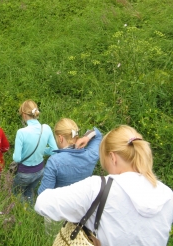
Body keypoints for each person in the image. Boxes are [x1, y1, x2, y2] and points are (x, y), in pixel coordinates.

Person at [35, 125, 173, 245]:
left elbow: (42, 203)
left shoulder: (98, 187)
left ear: (113, 158)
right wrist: (88, 137)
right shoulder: (168, 195)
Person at [38, 118, 102, 194]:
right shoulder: (91, 156)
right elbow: (98, 135)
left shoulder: (54, 162)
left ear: (60, 138)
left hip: (60, 204)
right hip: (84, 203)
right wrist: (86, 137)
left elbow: (44, 194)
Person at [12, 100, 58, 204]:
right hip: (40, 171)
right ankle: (33, 211)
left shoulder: (21, 133)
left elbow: (17, 158)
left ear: (24, 114)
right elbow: (54, 150)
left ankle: (25, 214)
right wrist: (41, 150)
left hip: (25, 172)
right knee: (29, 192)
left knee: (17, 193)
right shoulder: (46, 128)